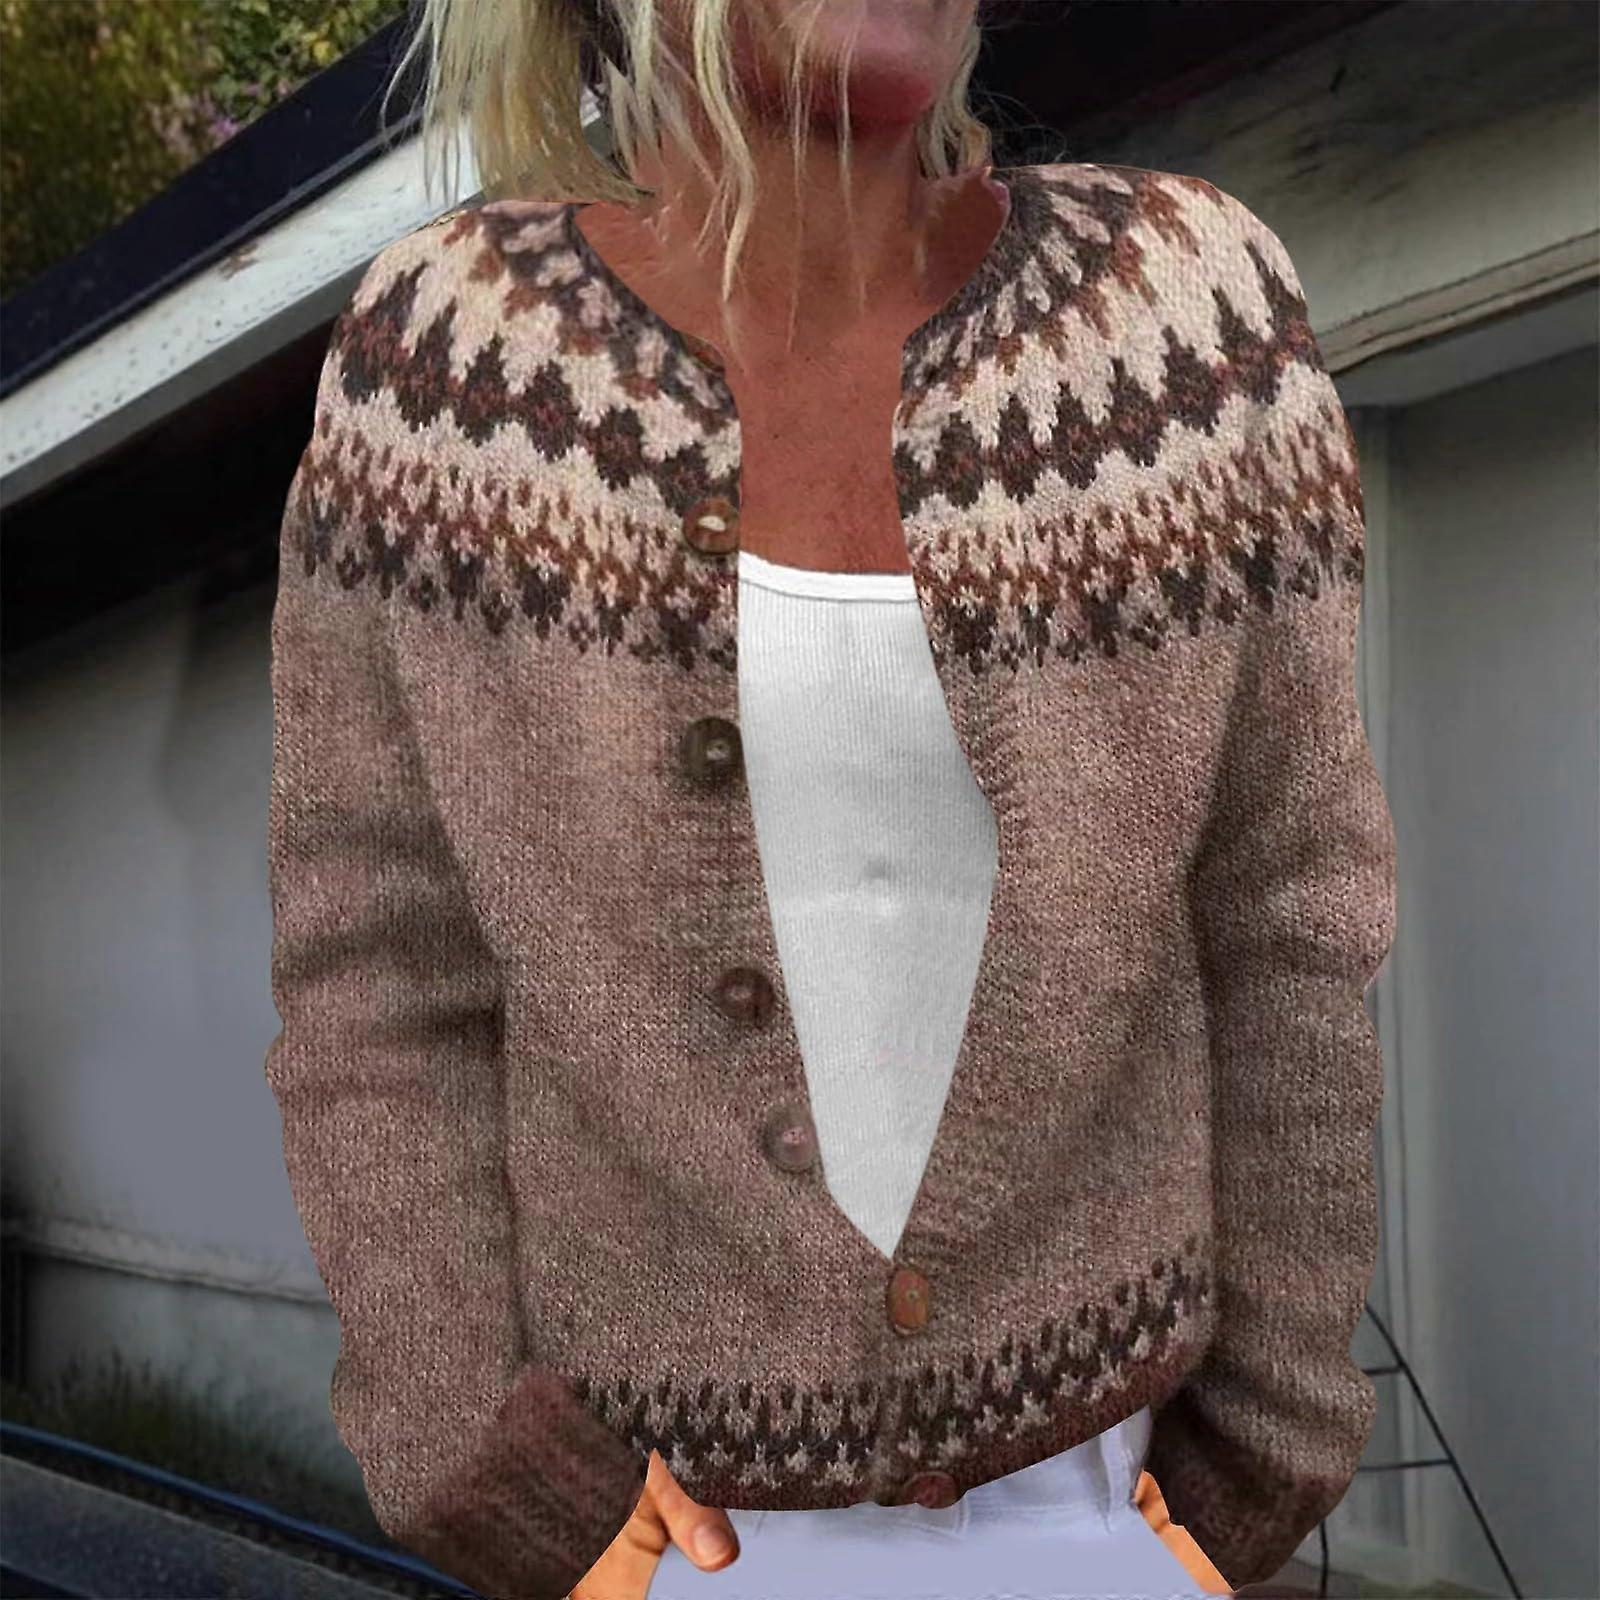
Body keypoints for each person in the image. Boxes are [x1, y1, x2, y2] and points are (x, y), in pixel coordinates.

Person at [263, 2, 1396, 1598]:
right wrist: (481, 1462)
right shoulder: (448, 368)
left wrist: (1264, 1450)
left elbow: (1289, 913)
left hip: (1123, 1509)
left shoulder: (1183, 311)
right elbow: (378, 974)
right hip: (661, 1540)